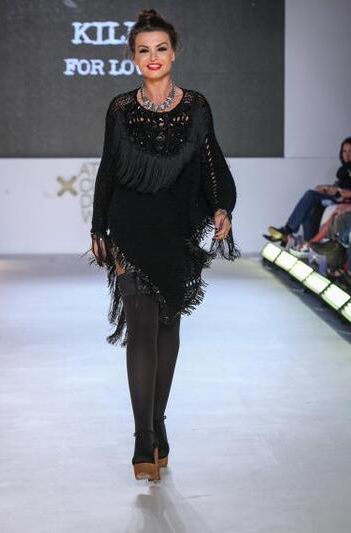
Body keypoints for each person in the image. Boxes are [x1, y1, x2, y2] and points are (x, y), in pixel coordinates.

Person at [85, 9, 240, 481]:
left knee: (168, 327)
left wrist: (221, 206)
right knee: (140, 329)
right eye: (143, 50)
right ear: (133, 57)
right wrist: (99, 227)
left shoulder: (196, 106)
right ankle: (142, 439)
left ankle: (158, 423)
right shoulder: (120, 108)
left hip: (177, 228)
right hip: (130, 227)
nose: (153, 57)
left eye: (161, 48)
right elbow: (109, 167)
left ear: (174, 53)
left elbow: (211, 161)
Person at [264, 137, 351, 251]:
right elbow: (338, 188)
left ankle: (288, 230)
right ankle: (307, 244)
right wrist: (326, 188)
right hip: (336, 198)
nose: (347, 155)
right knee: (311, 204)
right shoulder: (343, 171)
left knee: (310, 195)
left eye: (350, 151)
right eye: (344, 151)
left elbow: (344, 191)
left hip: (345, 202)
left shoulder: (347, 171)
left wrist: (345, 193)